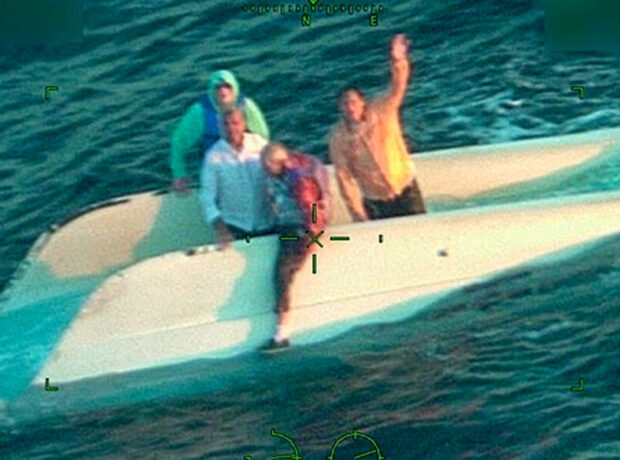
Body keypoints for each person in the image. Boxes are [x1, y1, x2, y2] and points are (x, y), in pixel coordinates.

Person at [328, 34, 426, 221]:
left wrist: (398, 61)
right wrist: (356, 212)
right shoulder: (338, 138)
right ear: (340, 108)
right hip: (376, 199)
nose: (350, 107)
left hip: (405, 187)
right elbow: (344, 177)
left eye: (353, 102)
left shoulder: (382, 110)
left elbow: (398, 86)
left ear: (363, 102)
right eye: (345, 104)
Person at [260, 142, 331, 350]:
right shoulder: (276, 177)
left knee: (282, 273)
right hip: (285, 225)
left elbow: (312, 208)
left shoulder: (299, 180)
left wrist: (312, 238)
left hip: (297, 230)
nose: (263, 170)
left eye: (265, 166)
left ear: (277, 163)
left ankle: (282, 332)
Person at [171, 70, 270, 194]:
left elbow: (263, 138)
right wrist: (179, 173)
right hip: (215, 168)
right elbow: (179, 143)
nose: (223, 91)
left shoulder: (246, 107)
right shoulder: (199, 112)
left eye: (227, 86)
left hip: (246, 162)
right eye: (218, 87)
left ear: (234, 88)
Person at [200, 108, 274, 246]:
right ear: (220, 127)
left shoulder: (259, 144)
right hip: (237, 229)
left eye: (235, 123)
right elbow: (207, 198)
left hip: (268, 223)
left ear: (244, 124)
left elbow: (279, 173)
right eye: (226, 124)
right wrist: (222, 230)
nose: (231, 128)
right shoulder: (213, 157)